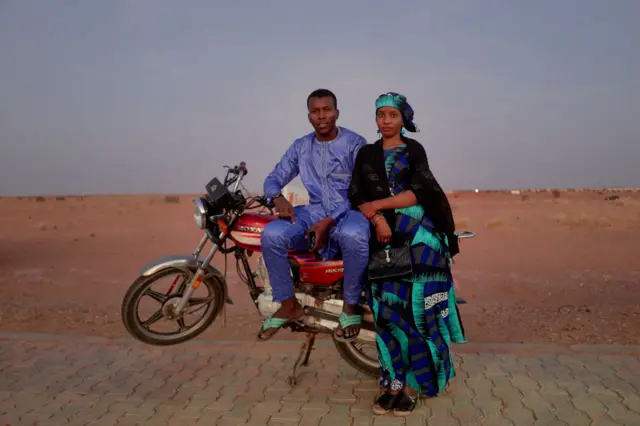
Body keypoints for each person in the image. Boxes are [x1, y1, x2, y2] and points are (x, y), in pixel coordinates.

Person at [348, 92, 466, 416]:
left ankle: (416, 384)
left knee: (418, 317)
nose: (386, 120)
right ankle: (393, 383)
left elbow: (421, 191)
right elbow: (356, 191)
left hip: (419, 244)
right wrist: (374, 217)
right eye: (381, 115)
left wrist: (379, 207)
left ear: (403, 119)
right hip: (382, 243)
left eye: (392, 115)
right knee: (386, 315)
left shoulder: (414, 150)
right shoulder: (366, 154)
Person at [258, 88, 370, 342]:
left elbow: (359, 189)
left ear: (337, 113)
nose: (322, 116)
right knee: (272, 233)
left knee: (354, 234)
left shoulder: (355, 143)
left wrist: (328, 222)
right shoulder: (301, 147)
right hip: (314, 209)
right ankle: (288, 304)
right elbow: (273, 177)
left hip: (348, 210)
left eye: (327, 110)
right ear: (308, 116)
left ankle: (350, 306)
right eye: (315, 111)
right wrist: (277, 197)